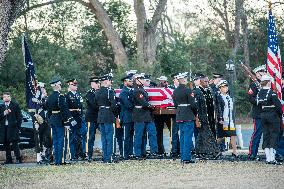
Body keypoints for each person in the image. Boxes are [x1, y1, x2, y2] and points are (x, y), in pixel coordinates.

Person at [46, 78, 76, 166]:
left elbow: (48, 109)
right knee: (61, 140)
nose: (60, 86)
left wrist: (50, 119)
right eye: (59, 84)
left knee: (55, 141)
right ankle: (60, 160)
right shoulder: (60, 96)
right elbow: (64, 110)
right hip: (59, 120)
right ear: (56, 85)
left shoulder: (50, 97)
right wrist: (70, 120)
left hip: (52, 119)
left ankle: (56, 160)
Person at [257, 75, 282, 164]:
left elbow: (258, 106)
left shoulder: (259, 93)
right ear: (268, 82)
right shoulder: (272, 93)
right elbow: (279, 107)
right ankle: (272, 158)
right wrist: (280, 115)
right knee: (274, 135)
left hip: (263, 115)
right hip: (273, 116)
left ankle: (268, 158)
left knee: (266, 135)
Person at [173, 72, 197, 163]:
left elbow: (175, 105)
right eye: (185, 78)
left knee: (182, 137)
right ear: (183, 80)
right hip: (188, 115)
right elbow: (193, 105)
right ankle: (186, 158)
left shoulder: (175, 91)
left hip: (179, 115)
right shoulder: (188, 91)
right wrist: (195, 113)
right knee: (187, 137)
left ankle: (183, 157)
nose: (186, 80)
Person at [194, 75, 221, 159]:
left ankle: (199, 151)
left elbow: (216, 104)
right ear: (201, 82)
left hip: (212, 116)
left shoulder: (210, 90)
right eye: (205, 81)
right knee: (207, 134)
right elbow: (195, 106)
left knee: (202, 135)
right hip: (203, 117)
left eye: (208, 81)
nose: (207, 83)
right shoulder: (197, 92)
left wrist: (218, 116)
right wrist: (197, 118)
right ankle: (214, 151)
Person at [133, 73, 158, 160]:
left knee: (152, 133)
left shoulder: (142, 89)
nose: (143, 80)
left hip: (147, 115)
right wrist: (151, 106)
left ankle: (153, 152)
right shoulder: (137, 90)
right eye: (141, 79)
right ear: (137, 80)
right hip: (140, 115)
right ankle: (138, 154)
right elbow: (143, 102)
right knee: (139, 135)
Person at [95, 73, 118, 163]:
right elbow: (114, 106)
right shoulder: (110, 92)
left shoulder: (97, 92)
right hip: (108, 115)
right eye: (109, 80)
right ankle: (110, 157)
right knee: (110, 137)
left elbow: (96, 103)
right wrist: (116, 115)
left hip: (100, 115)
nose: (111, 82)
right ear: (106, 81)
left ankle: (105, 157)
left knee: (103, 138)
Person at [29, 82, 52, 164]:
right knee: (38, 139)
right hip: (37, 122)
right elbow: (32, 112)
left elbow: (48, 108)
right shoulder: (33, 99)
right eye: (40, 88)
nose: (42, 89)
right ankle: (39, 158)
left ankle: (45, 155)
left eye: (43, 88)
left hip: (46, 122)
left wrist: (44, 99)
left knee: (48, 138)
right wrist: (35, 121)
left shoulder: (46, 98)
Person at [215, 80, 238, 159]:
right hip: (223, 119)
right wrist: (220, 118)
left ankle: (234, 152)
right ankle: (214, 149)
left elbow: (231, 108)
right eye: (223, 87)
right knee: (221, 137)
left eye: (226, 86)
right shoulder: (219, 97)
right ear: (220, 88)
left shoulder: (229, 96)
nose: (225, 88)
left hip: (230, 120)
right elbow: (218, 108)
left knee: (233, 135)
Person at [248, 65, 266, 160]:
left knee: (268, 134)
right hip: (258, 113)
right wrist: (260, 101)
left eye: (264, 71)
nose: (264, 73)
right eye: (262, 72)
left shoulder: (267, 83)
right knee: (257, 133)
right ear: (257, 74)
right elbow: (251, 98)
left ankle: (269, 153)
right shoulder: (253, 85)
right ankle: (252, 153)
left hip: (267, 113)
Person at [0, 92, 22, 164]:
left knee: (15, 143)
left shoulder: (15, 105)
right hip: (4, 128)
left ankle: (18, 158)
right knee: (6, 144)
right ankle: (9, 160)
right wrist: (4, 113)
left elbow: (19, 117)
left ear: (10, 97)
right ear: (3, 98)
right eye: (5, 97)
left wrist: (18, 127)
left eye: (8, 96)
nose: (6, 98)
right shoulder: (1, 106)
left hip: (13, 128)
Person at [65, 79, 84, 161]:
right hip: (72, 118)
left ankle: (78, 154)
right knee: (72, 138)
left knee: (79, 137)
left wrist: (81, 115)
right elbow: (66, 109)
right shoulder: (67, 95)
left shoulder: (78, 95)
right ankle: (72, 155)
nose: (75, 86)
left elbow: (81, 107)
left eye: (76, 84)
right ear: (69, 85)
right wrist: (70, 119)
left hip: (78, 118)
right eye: (73, 85)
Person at [154, 76, 171, 156]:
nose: (163, 83)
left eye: (164, 81)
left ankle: (174, 150)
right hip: (158, 114)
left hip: (168, 114)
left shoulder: (170, 90)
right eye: (162, 81)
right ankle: (160, 150)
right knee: (159, 132)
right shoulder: (155, 90)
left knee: (172, 132)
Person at [119, 73, 135, 159]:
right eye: (130, 81)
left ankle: (130, 153)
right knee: (126, 136)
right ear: (125, 82)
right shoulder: (124, 92)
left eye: (132, 80)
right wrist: (135, 105)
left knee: (131, 136)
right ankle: (125, 154)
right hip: (126, 118)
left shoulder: (131, 91)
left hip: (132, 117)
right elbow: (128, 104)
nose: (132, 82)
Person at [85, 76, 100, 162]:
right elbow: (94, 105)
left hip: (99, 117)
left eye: (98, 83)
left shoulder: (99, 92)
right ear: (92, 84)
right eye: (96, 83)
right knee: (90, 137)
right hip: (91, 117)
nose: (98, 84)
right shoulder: (90, 93)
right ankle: (89, 154)